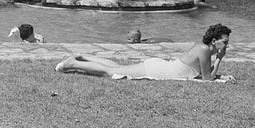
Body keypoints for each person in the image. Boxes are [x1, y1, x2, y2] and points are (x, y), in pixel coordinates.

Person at [56, 23, 233, 81]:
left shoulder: (203, 48)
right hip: (157, 70)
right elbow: (207, 79)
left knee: (118, 68)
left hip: (162, 67)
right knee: (110, 72)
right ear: (214, 41)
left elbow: (206, 75)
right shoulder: (204, 50)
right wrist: (219, 59)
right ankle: (72, 63)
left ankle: (82, 57)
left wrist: (217, 60)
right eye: (224, 42)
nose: (226, 44)